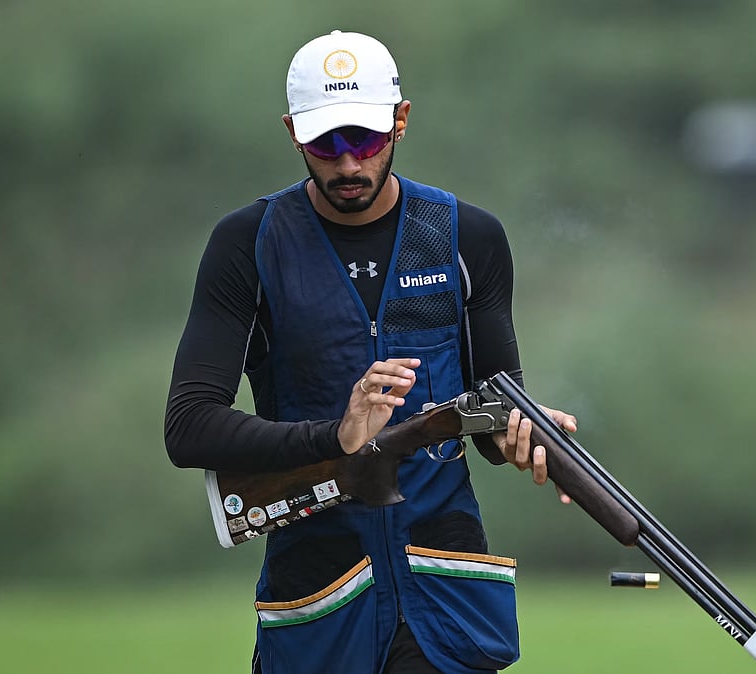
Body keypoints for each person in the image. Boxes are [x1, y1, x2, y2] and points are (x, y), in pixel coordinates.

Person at [165, 29, 577, 674]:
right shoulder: (245, 245)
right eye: (325, 143)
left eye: (364, 139)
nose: (348, 164)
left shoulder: (470, 237)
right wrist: (339, 435)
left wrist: (525, 431)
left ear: (401, 121)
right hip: (321, 595)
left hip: (445, 594)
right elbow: (188, 427)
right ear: (293, 131)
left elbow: (494, 411)